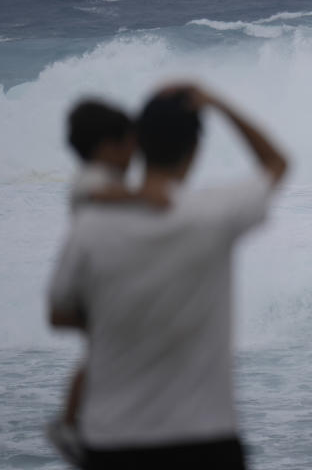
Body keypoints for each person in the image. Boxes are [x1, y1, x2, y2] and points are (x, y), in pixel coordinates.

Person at [47, 84, 287, 470]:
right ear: (195, 151)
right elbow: (277, 164)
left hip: (111, 443)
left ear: (139, 145)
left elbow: (58, 315)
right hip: (205, 441)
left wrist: (121, 318)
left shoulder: (91, 225)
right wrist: (216, 101)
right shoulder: (212, 216)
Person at [46, 99, 169, 467]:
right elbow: (100, 196)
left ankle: (75, 424)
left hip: (101, 273)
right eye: (127, 142)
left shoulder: (103, 177)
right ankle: (70, 425)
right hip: (94, 279)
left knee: (101, 354)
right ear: (105, 146)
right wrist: (145, 197)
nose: (134, 149)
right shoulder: (94, 180)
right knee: (102, 353)